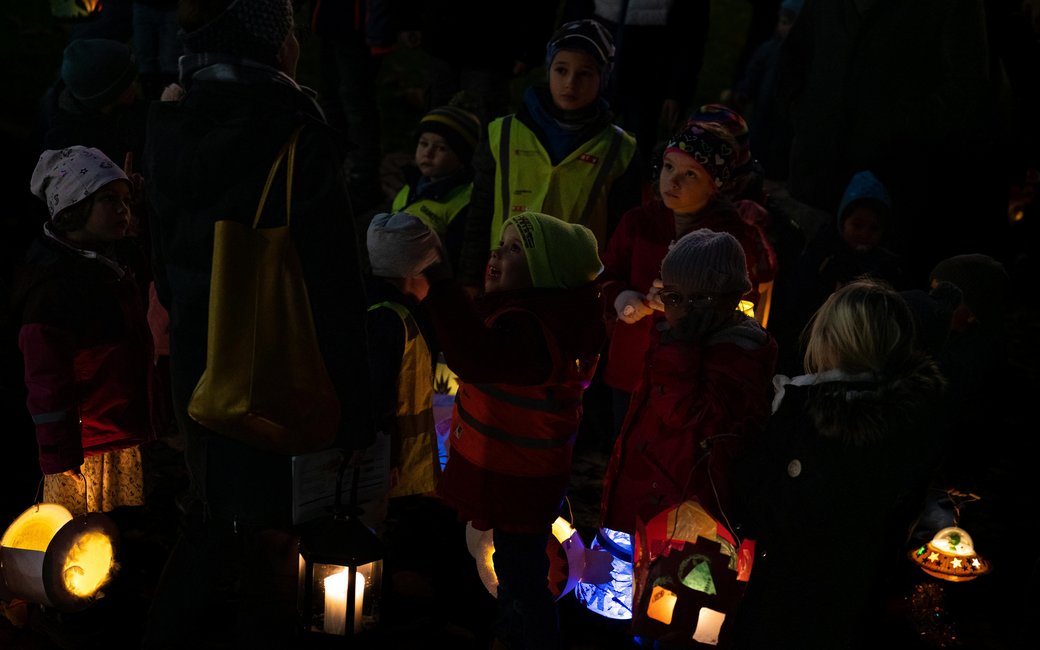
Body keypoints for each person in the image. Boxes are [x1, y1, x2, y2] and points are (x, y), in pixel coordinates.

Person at [140, 0, 375, 646]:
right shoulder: (294, 134)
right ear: (271, 46)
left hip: (198, 358)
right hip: (276, 361)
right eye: (290, 30)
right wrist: (354, 404)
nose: (298, 43)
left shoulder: (170, 117)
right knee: (273, 530)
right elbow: (333, 288)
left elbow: (160, 257)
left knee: (213, 510)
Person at [421, 211, 607, 649]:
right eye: (499, 244)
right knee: (513, 568)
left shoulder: (533, 330)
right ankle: (508, 629)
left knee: (522, 577)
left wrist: (441, 286)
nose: (496, 254)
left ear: (546, 272)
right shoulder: (535, 318)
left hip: (517, 480)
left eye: (515, 249)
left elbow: (476, 357)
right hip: (515, 474)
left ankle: (527, 638)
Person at [731, 277, 946, 648]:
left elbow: (769, 507)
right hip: (859, 598)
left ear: (832, 339)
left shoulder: (810, 419)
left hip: (791, 600)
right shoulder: (912, 417)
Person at [598, 118, 777, 437]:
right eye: (668, 167)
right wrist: (623, 299)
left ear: (716, 184)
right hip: (631, 366)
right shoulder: (639, 223)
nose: (673, 181)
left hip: (691, 374)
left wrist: (682, 306)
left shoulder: (729, 239)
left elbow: (740, 307)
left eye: (690, 174)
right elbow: (608, 274)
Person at [600, 229, 777, 542]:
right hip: (644, 491)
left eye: (700, 299)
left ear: (732, 298)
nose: (682, 310)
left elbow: (683, 412)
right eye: (673, 297)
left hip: (683, 516)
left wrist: (678, 349)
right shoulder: (671, 337)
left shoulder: (737, 355)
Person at [15, 146, 155, 518]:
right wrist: (61, 460)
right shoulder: (53, 290)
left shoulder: (114, 262)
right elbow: (47, 387)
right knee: (84, 545)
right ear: (73, 208)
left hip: (123, 436)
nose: (123, 210)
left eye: (126, 200)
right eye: (109, 200)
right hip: (86, 453)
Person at [456, 18, 643, 290]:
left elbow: (622, 232)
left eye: (585, 74)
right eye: (561, 70)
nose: (570, 83)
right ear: (548, 70)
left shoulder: (619, 149)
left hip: (571, 288)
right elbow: (480, 209)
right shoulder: (504, 132)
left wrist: (610, 289)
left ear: (603, 77)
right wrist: (470, 278)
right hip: (502, 279)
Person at [774, 169, 908, 374]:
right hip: (812, 350)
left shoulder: (887, 268)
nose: (864, 234)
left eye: (874, 228)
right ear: (842, 222)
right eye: (857, 225)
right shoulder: (822, 256)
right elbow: (798, 300)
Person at [389, 99, 482, 272]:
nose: (428, 153)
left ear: (462, 158)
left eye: (441, 148)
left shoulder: (463, 201)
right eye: (424, 144)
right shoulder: (411, 184)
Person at [731, 0, 802, 183]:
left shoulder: (802, 58)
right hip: (762, 115)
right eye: (783, 22)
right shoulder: (768, 49)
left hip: (785, 121)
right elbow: (753, 72)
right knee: (757, 145)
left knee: (779, 151)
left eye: (790, 23)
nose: (784, 28)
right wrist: (744, 91)